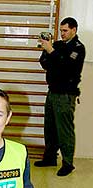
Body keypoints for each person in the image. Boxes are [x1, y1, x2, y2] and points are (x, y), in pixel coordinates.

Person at [34, 17, 86, 176]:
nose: (62, 33)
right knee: (50, 128)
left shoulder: (78, 48)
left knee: (64, 130)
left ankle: (68, 163)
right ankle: (50, 158)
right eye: (61, 30)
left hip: (65, 94)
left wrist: (52, 53)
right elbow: (44, 62)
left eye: (65, 30)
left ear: (74, 30)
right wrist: (48, 51)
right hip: (52, 91)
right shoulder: (57, 45)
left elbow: (68, 67)